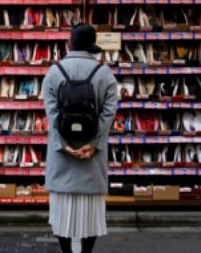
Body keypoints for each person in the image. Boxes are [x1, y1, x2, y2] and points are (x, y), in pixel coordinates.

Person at [42, 24, 118, 253]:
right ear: (93, 45)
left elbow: (52, 114)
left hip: (62, 157)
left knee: (62, 215)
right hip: (91, 157)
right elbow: (108, 113)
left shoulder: (54, 72)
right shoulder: (104, 73)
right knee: (91, 216)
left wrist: (63, 145)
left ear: (69, 43)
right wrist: (93, 144)